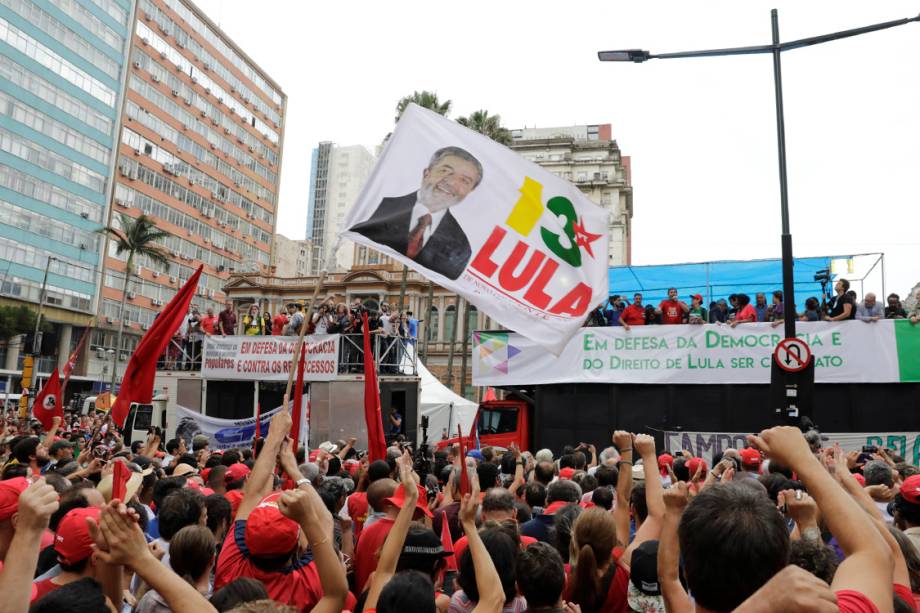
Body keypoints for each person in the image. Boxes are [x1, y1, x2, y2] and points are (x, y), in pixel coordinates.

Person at [348, 146, 482, 281]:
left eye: (465, 181)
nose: (452, 183)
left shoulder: (461, 247)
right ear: (426, 173)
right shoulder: (376, 209)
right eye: (445, 171)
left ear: (469, 192)